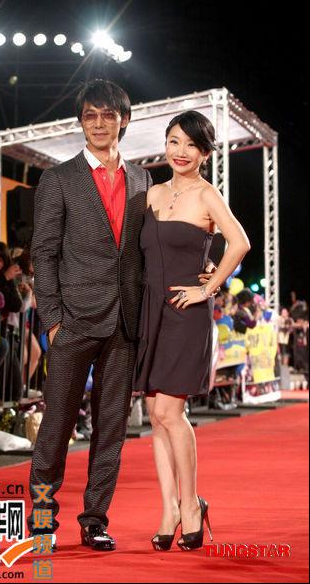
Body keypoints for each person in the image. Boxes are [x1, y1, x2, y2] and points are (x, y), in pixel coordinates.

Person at [28, 79, 153, 551]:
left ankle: (95, 520)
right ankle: (42, 519)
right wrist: (53, 320)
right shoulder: (58, 179)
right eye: (89, 115)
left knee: (112, 428)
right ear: (81, 122)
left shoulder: (143, 180)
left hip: (125, 323)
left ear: (124, 119)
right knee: (56, 426)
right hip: (73, 323)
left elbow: (147, 250)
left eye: (107, 115)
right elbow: (44, 252)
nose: (98, 123)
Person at [133, 110, 250, 551]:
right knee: (156, 416)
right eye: (174, 141)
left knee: (169, 412)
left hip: (186, 312)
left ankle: (190, 505)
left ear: (204, 153)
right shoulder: (151, 193)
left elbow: (240, 242)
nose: (181, 152)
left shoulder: (207, 194)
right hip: (151, 312)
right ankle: (169, 510)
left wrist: (209, 287)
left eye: (192, 145)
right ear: (165, 144)